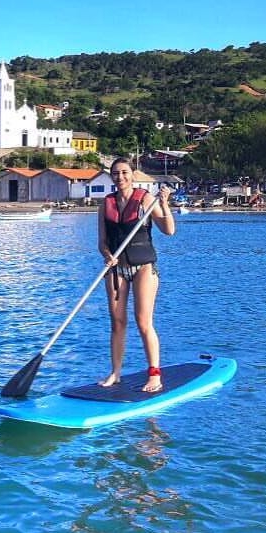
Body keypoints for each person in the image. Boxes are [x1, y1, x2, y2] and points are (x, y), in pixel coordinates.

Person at [97, 158, 176, 392]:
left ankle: (154, 374)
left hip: (143, 268)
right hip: (116, 268)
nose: (120, 177)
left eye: (124, 173)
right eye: (115, 173)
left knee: (143, 322)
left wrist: (164, 204)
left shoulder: (145, 200)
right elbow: (102, 242)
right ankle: (116, 373)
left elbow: (169, 230)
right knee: (117, 322)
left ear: (132, 175)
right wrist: (107, 255)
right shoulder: (106, 203)